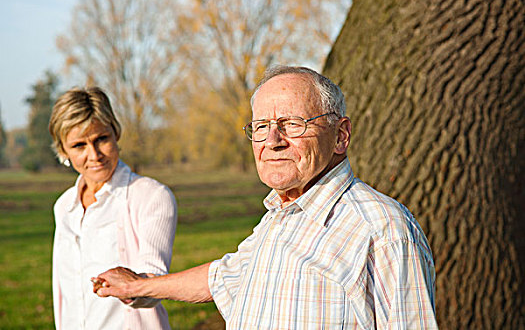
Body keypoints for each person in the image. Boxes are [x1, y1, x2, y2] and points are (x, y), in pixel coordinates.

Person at [94, 66, 438, 328]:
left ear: (341, 136)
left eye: (292, 124)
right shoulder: (278, 218)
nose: (273, 140)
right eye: (261, 126)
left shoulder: (384, 229)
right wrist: (140, 286)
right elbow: (222, 277)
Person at [49, 87, 177, 330]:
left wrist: (130, 288)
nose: (94, 155)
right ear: (63, 150)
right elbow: (64, 292)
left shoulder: (152, 196)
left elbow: (155, 283)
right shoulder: (64, 206)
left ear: (115, 132)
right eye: (79, 145)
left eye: (101, 139)